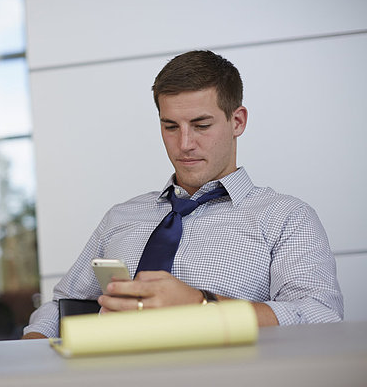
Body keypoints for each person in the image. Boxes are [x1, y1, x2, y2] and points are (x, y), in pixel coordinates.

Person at [22, 50, 343, 339]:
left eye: (201, 125)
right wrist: (31, 353)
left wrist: (202, 304)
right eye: (171, 126)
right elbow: (60, 306)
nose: (184, 144)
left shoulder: (285, 217)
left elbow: (321, 315)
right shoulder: (120, 217)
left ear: (238, 121)